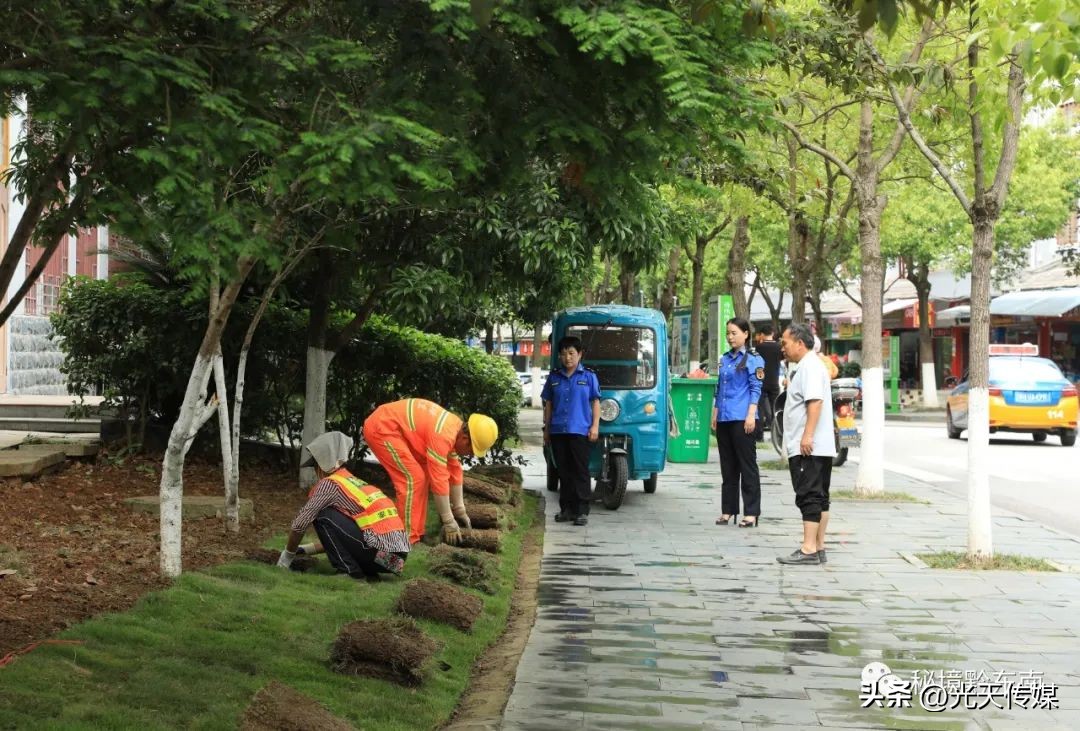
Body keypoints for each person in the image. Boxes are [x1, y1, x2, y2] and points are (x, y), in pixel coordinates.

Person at [363, 399, 498, 546]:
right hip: (382, 428)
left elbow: (454, 470)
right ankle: (406, 540)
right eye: (471, 451)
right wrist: (448, 520)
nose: (469, 455)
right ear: (465, 439)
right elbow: (439, 480)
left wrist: (459, 510)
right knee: (412, 479)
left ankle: (417, 534)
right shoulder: (443, 435)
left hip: (396, 431)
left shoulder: (455, 429)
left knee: (422, 477)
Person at [277, 431, 410, 579]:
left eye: (314, 466)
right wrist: (304, 549)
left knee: (322, 514)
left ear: (321, 464)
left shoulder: (329, 484)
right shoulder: (354, 485)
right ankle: (367, 572)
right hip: (394, 563)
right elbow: (345, 538)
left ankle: (349, 571)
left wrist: (287, 556)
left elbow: (299, 524)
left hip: (380, 557)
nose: (315, 471)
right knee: (328, 516)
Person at [776, 322, 835, 566]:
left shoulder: (810, 367)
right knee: (820, 496)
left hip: (809, 446)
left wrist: (806, 436)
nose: (782, 348)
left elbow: (815, 403)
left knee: (809, 495)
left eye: (785, 343)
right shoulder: (808, 366)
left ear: (800, 343)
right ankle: (818, 546)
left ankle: (809, 548)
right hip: (818, 446)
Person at [542, 335, 601, 527]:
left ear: (580, 354)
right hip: (558, 431)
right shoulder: (554, 377)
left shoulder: (589, 377)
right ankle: (566, 510)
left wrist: (595, 426)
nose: (568, 357)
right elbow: (548, 404)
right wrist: (547, 429)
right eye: (564, 354)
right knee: (564, 472)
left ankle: (581, 510)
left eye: (571, 353)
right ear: (559, 356)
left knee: (580, 471)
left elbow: (596, 403)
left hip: (580, 431)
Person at [712, 317, 765, 528]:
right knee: (728, 466)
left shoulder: (754, 359)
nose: (730, 337)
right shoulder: (724, 359)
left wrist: (751, 414)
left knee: (747, 466)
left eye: (734, 333)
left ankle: (751, 512)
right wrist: (715, 413)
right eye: (728, 333)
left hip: (743, 418)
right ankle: (728, 510)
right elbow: (719, 388)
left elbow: (756, 388)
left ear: (746, 334)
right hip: (725, 417)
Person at [753, 323, 782, 441]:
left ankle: (759, 436)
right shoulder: (779, 347)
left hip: (761, 381)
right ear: (773, 334)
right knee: (776, 408)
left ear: (762, 335)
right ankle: (777, 434)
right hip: (774, 382)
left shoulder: (759, 347)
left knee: (759, 409)